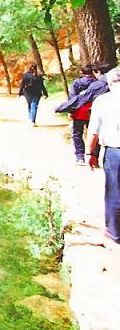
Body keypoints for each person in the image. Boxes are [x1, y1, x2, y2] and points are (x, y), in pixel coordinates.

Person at [87, 67, 120, 244]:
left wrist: (89, 153)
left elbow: (93, 131)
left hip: (115, 152)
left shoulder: (103, 101)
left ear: (109, 82)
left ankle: (115, 232)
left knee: (114, 191)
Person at [68, 65, 98, 164]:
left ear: (82, 72)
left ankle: (80, 156)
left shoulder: (77, 83)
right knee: (94, 133)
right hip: (92, 111)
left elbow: (72, 98)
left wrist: (71, 111)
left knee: (77, 134)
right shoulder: (97, 83)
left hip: (79, 112)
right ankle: (94, 156)